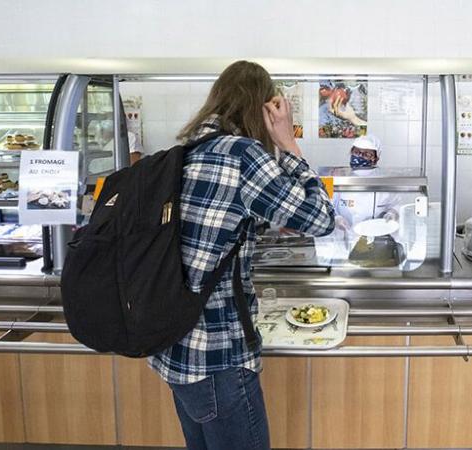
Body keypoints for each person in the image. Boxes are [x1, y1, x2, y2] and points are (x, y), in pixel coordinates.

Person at [148, 60, 335, 450]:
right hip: (219, 356)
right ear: (265, 109)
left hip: (175, 348)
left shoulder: (186, 151)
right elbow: (320, 218)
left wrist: (263, 219)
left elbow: (211, 228)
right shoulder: (243, 155)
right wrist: (289, 143)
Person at [332, 134, 400, 232]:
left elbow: (397, 204)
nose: (360, 157)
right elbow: (327, 205)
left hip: (377, 236)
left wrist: (393, 213)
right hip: (345, 237)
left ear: (376, 159)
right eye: (356, 152)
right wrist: (336, 219)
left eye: (367, 154)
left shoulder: (385, 182)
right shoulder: (339, 179)